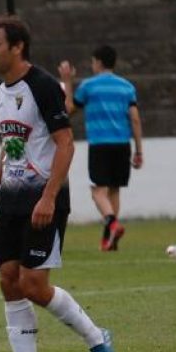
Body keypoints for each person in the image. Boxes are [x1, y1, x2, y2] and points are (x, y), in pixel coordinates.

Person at [0, 16, 116, 352]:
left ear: (17, 47)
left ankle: (96, 338)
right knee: (9, 281)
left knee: (34, 285)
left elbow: (65, 143)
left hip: (44, 200)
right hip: (10, 199)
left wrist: (49, 197)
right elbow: (11, 146)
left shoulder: (41, 86)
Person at [58, 46, 143, 251]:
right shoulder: (127, 87)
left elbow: (68, 110)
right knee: (113, 190)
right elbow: (135, 119)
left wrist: (68, 82)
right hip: (122, 144)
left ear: (97, 62)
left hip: (100, 144)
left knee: (97, 191)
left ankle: (112, 224)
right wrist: (139, 150)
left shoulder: (89, 86)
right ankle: (110, 240)